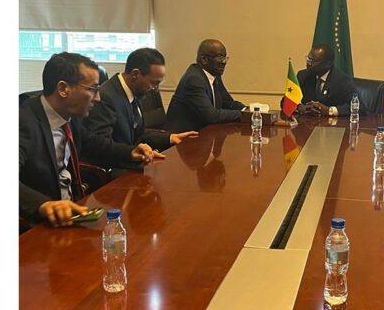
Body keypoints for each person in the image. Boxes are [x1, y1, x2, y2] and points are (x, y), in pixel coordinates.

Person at [20, 52, 164, 227]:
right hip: (37, 224)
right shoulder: (23, 122)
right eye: (92, 89)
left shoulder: (69, 117)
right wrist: (43, 205)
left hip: (72, 214)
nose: (98, 98)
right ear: (63, 89)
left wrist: (131, 152)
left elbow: (93, 144)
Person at [83, 48, 198, 153]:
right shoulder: (106, 97)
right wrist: (134, 154)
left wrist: (171, 137)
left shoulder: (134, 92)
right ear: (135, 74)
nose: (156, 89)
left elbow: (138, 135)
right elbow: (100, 146)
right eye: (154, 83)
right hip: (115, 165)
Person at [165, 39, 246, 132]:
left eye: (225, 58)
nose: (224, 62)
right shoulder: (194, 79)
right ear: (204, 59)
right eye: (220, 57)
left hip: (203, 132)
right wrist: (243, 115)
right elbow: (211, 116)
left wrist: (247, 110)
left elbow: (228, 103)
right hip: (183, 137)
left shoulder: (215, 75)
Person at [289, 44, 356, 117]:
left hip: (332, 123)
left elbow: (357, 106)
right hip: (308, 122)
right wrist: (300, 107)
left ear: (327, 64)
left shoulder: (342, 80)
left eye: (313, 61)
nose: (308, 63)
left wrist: (329, 110)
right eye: (308, 59)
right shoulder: (303, 75)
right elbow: (287, 100)